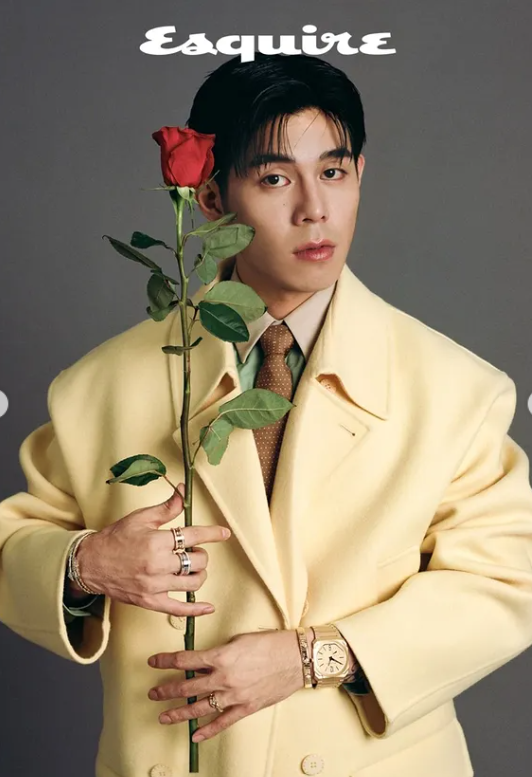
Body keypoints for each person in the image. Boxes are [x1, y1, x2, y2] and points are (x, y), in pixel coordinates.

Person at [1, 52, 532, 777]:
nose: (315, 209)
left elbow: (506, 583)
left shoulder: (456, 389)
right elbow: (15, 544)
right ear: (211, 197)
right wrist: (87, 564)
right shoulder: (100, 385)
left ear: (360, 173)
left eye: (334, 171)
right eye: (275, 178)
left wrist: (312, 656)